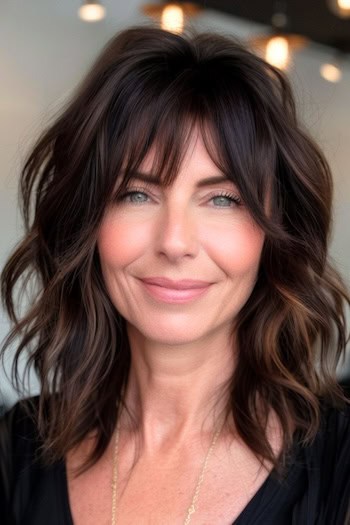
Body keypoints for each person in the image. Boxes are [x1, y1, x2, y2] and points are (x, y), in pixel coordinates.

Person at [0, 24, 349, 525]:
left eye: (223, 199)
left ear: (276, 234)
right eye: (136, 194)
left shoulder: (340, 464)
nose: (175, 242)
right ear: (89, 220)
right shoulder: (17, 449)